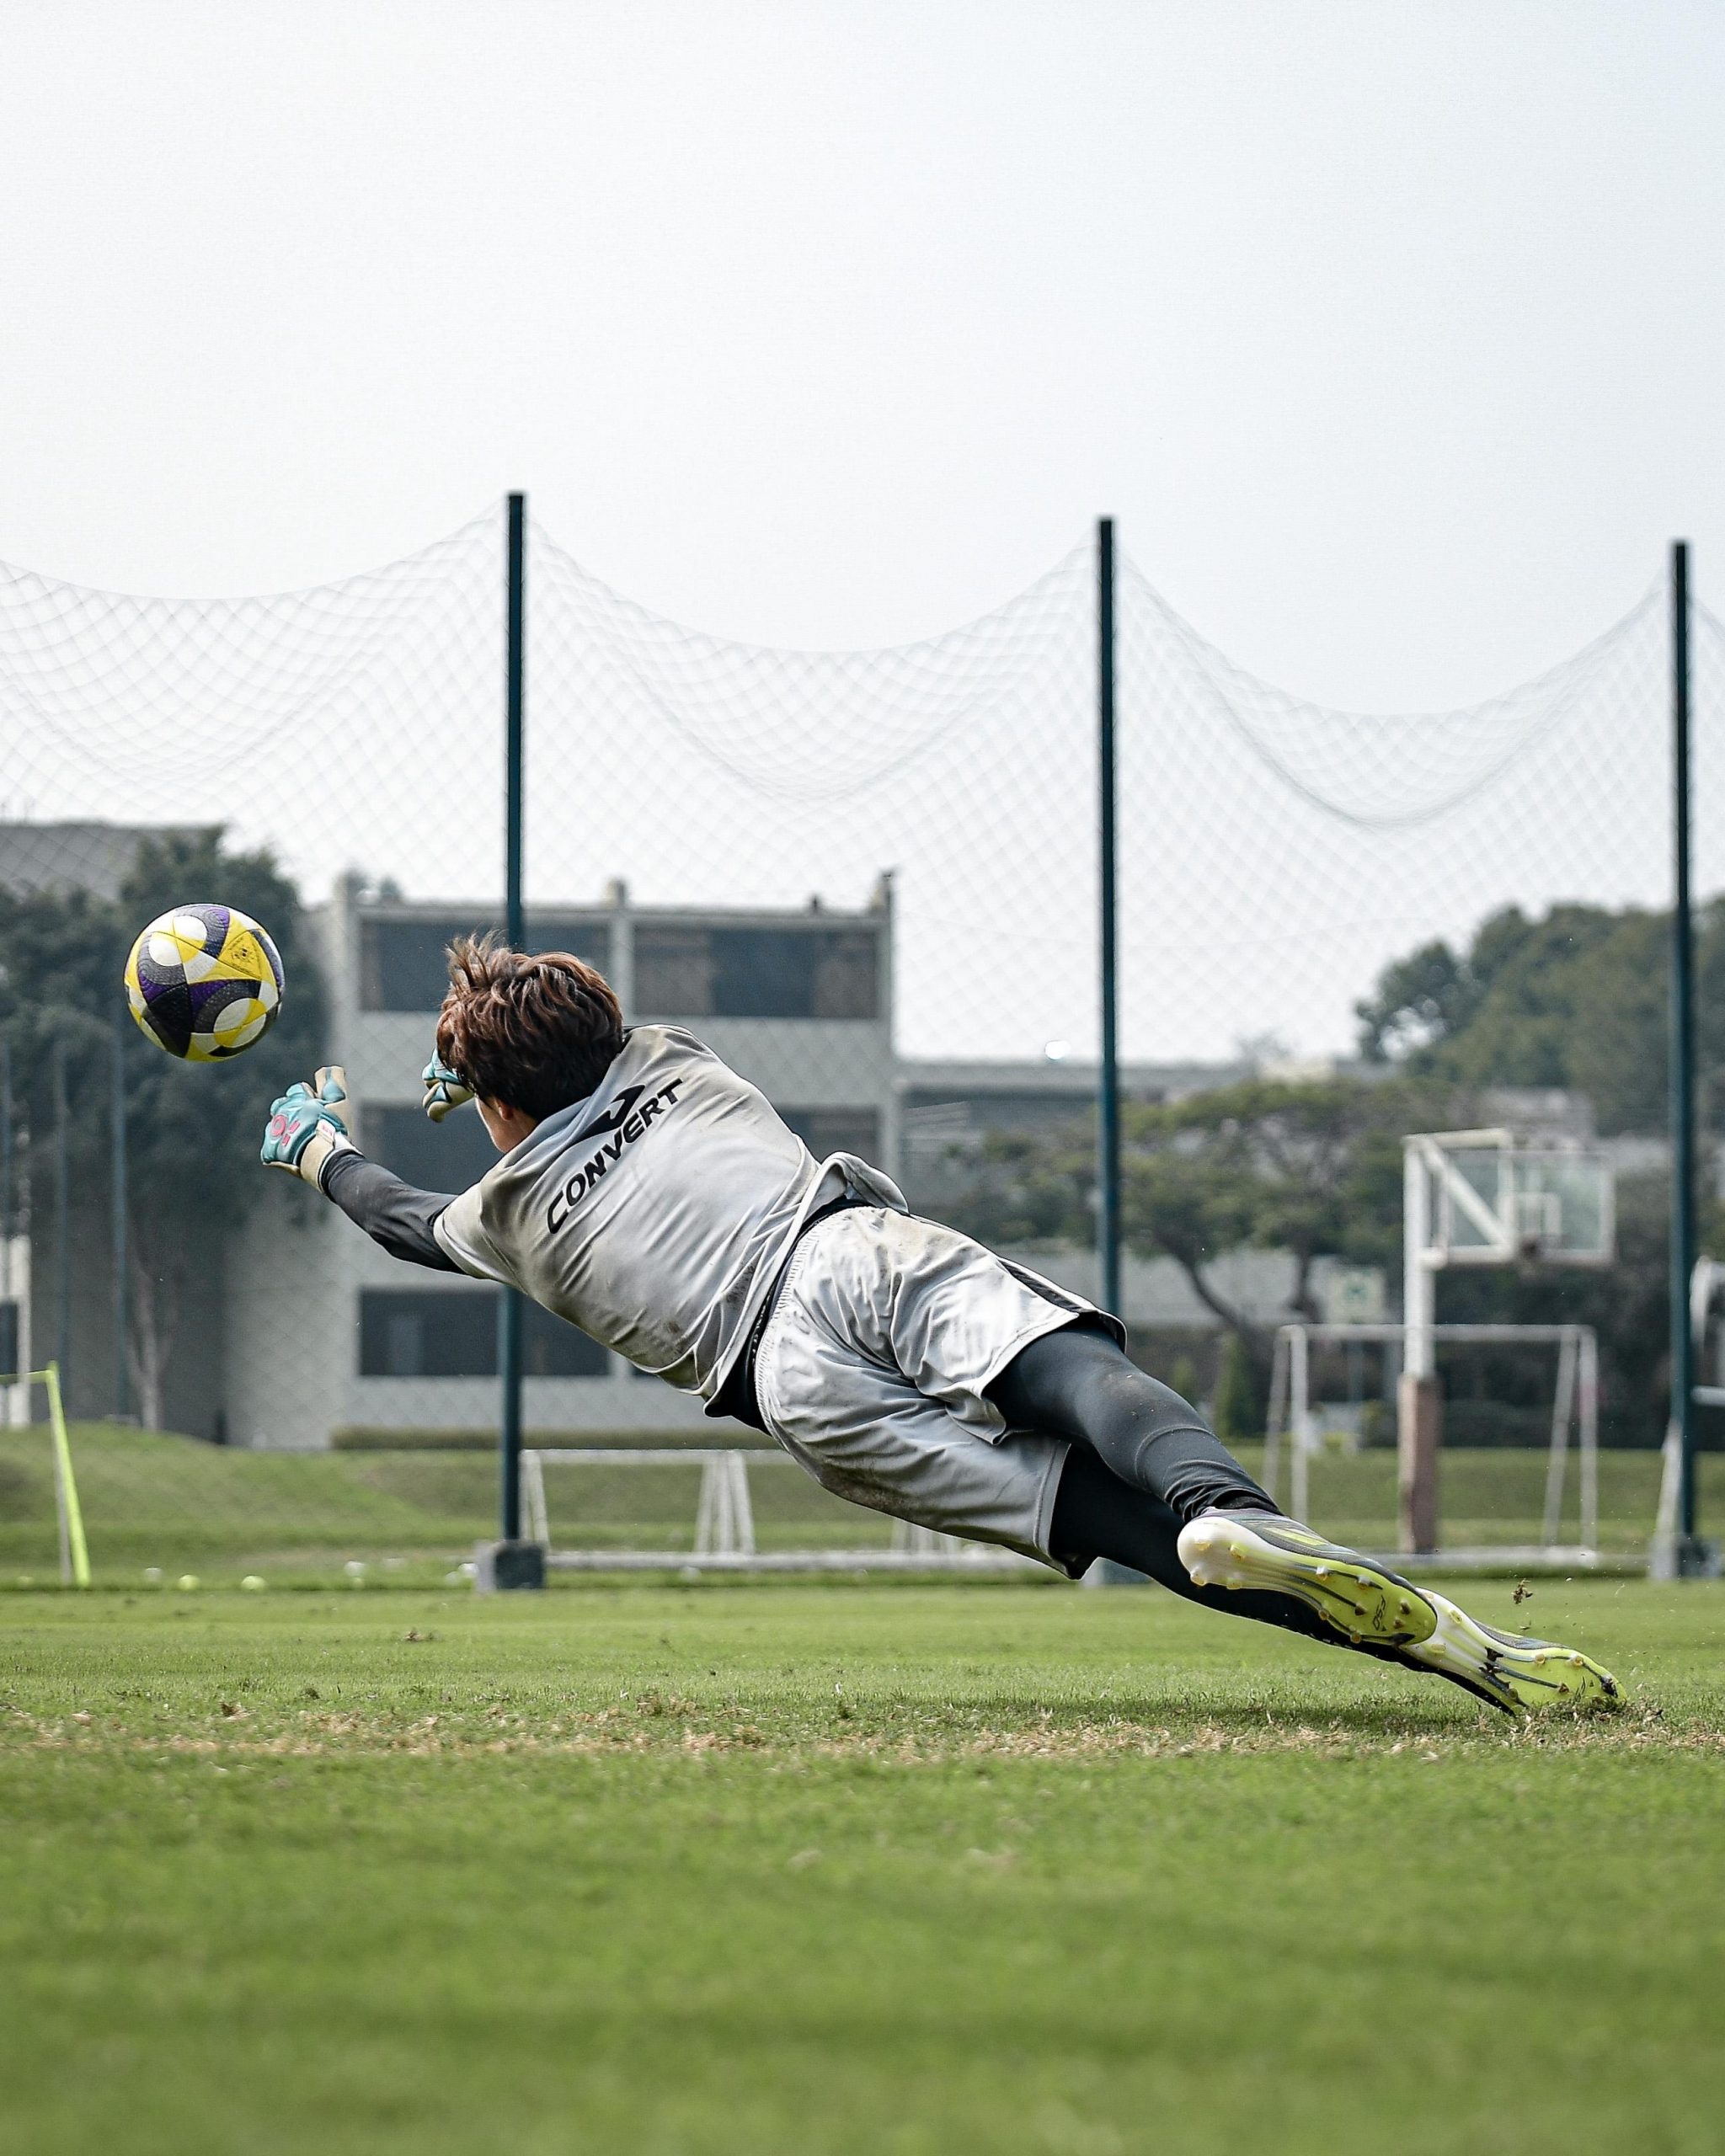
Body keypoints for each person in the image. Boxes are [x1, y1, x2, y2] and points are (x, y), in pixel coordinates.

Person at [260, 936, 1617, 1715]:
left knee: (1089, 1517)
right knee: (1074, 1369)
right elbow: (563, 1037)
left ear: (494, 1108)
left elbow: (397, 1216)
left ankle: (1449, 1653)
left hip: (790, 1390)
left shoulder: (508, 1214)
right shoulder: (670, 1057)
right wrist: (481, 1052)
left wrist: (320, 1151)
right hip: (840, 1246)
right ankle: (1227, 1500)